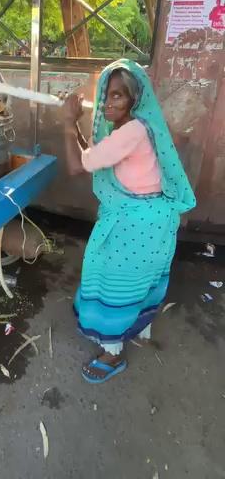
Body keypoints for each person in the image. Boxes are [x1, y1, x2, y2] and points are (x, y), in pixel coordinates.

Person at [63, 59, 196, 383]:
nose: (108, 103)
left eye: (118, 96)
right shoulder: (133, 127)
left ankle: (113, 353)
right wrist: (78, 129)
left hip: (139, 225)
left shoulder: (132, 131)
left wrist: (68, 123)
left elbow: (75, 166)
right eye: (106, 94)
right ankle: (136, 326)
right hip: (148, 221)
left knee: (113, 283)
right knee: (133, 281)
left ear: (134, 100)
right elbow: (91, 160)